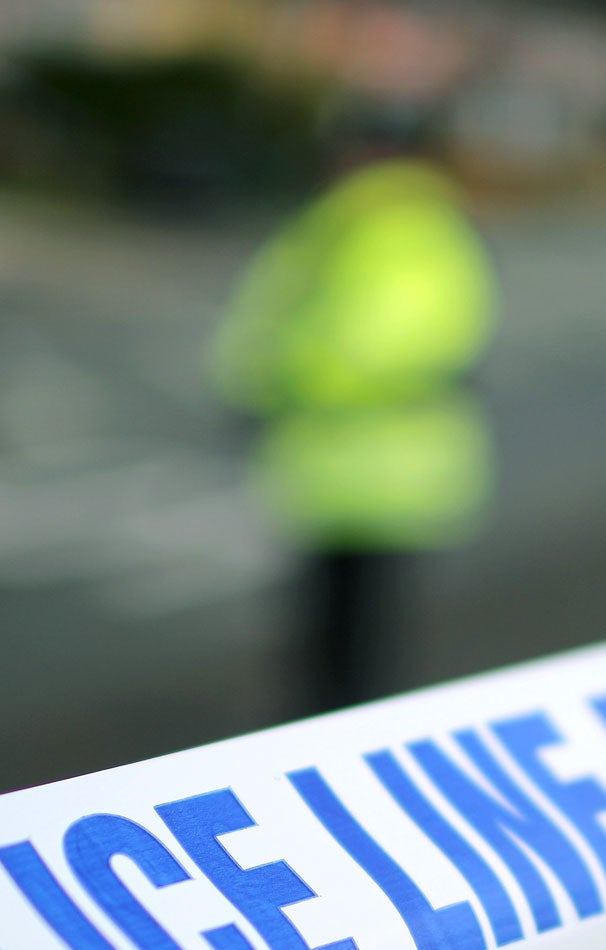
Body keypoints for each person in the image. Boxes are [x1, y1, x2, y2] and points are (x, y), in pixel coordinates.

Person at [212, 110, 496, 714]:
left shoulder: (388, 224)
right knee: (340, 628)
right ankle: (325, 730)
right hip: (351, 459)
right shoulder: (370, 219)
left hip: (368, 457)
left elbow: (384, 340)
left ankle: (331, 740)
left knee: (352, 638)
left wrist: (282, 384)